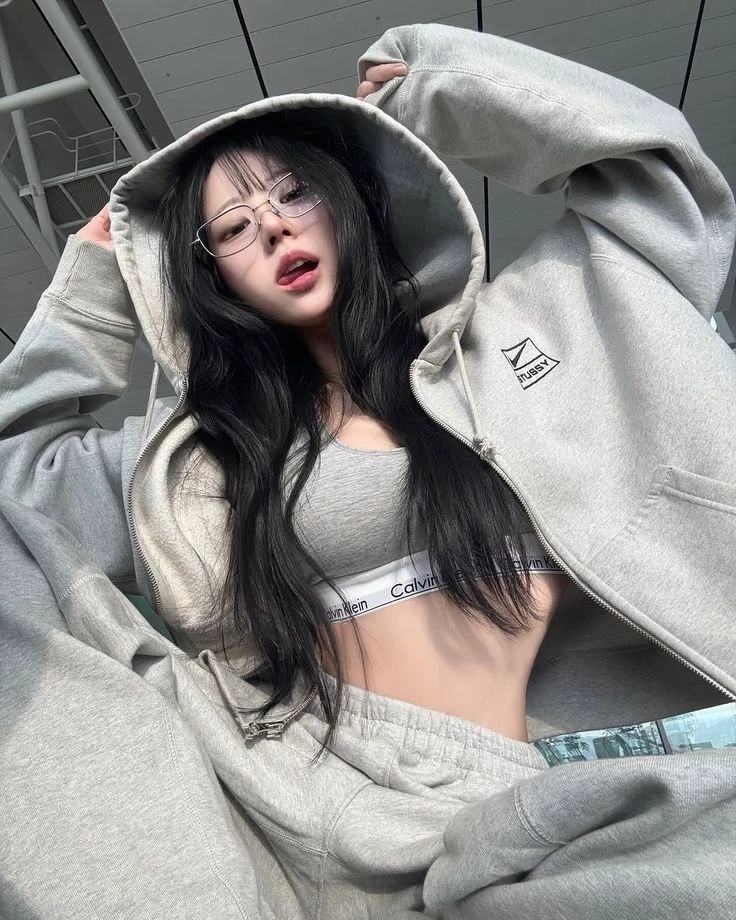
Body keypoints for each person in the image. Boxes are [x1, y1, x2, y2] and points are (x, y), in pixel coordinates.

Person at [1, 22, 735, 920]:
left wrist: (446, 87)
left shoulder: (515, 338)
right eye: (232, 229)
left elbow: (659, 185)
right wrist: (92, 287)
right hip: (315, 793)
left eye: (292, 192)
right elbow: (14, 479)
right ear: (212, 278)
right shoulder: (205, 451)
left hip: (527, 784)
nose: (273, 225)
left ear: (344, 200)